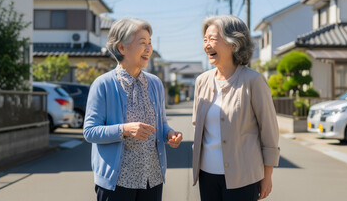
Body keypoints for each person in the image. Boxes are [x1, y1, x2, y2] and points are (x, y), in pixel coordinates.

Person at [83, 18, 183, 201]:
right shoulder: (103, 84)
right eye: (142, 43)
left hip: (151, 178)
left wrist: (169, 134)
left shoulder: (155, 83)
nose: (148, 49)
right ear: (121, 48)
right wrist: (125, 129)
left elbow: (161, 124)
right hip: (118, 181)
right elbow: (90, 132)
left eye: (150, 43)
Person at [192, 15, 280, 201]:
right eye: (205, 40)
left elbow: (269, 132)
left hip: (244, 177)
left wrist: (268, 175)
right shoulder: (202, 81)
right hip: (207, 175)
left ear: (234, 43)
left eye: (213, 39)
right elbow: (197, 125)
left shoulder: (253, 81)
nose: (207, 44)